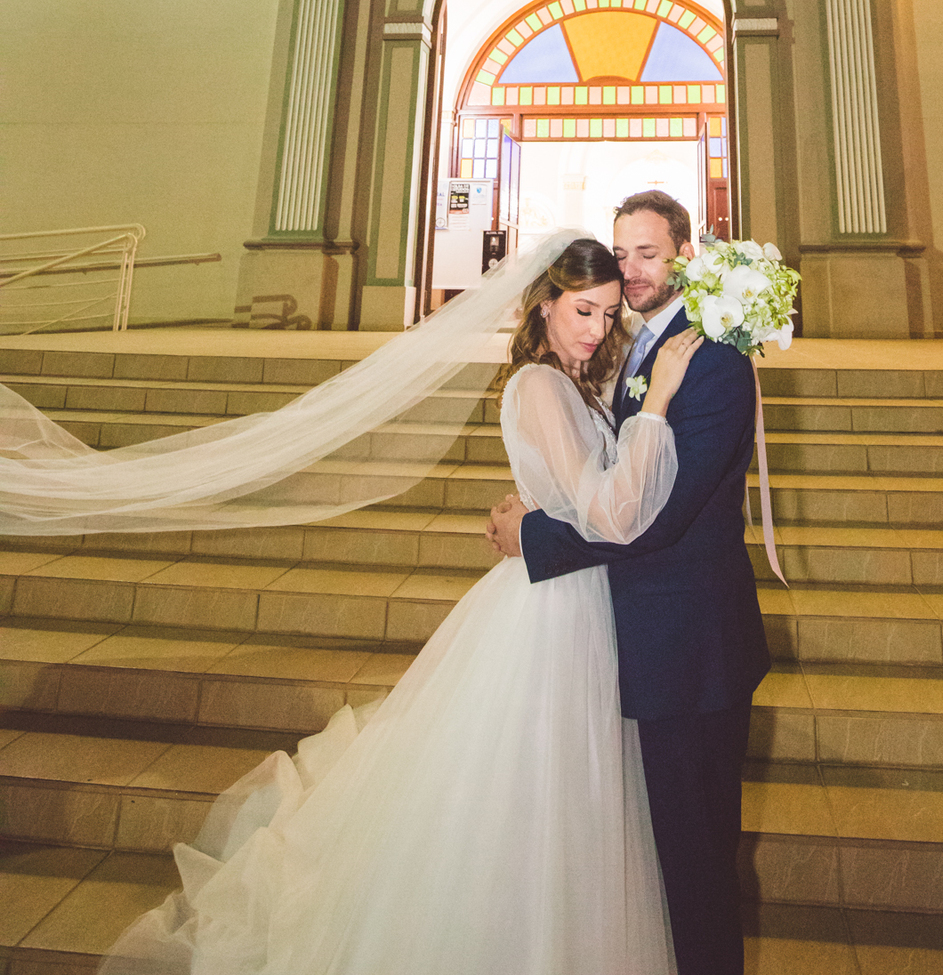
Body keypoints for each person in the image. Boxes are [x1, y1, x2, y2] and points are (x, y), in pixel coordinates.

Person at [100, 237, 702, 975]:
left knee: (555, 803)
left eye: (608, 315)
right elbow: (612, 516)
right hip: (551, 616)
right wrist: (660, 404)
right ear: (545, 303)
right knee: (530, 797)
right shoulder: (542, 386)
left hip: (575, 602)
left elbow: (584, 500)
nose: (594, 329)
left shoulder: (573, 383)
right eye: (582, 310)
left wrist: (542, 509)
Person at [489, 193, 770, 975]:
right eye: (622, 253)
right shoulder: (628, 351)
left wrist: (532, 534)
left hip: (689, 652)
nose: (631, 269)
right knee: (665, 854)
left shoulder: (707, 356)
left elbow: (658, 518)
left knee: (696, 859)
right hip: (639, 643)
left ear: (686, 252)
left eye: (648, 253)